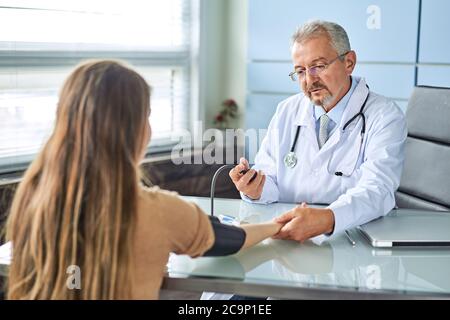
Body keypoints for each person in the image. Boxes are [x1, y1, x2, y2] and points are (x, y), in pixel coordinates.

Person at [5, 60, 284, 300]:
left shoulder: (32, 199)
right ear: (135, 129)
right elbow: (233, 239)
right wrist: (276, 225)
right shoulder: (158, 211)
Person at [229, 20, 407, 244]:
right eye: (300, 71)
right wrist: (256, 188)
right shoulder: (287, 110)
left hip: (353, 245)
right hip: (290, 243)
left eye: (319, 66)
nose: (309, 80)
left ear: (349, 62)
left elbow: (378, 190)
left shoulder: (384, 116)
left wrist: (328, 219)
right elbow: (270, 179)